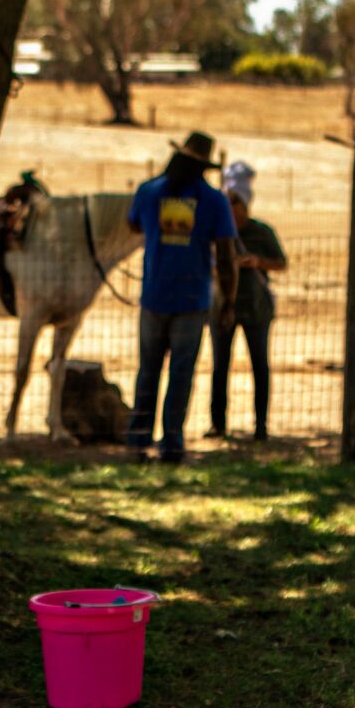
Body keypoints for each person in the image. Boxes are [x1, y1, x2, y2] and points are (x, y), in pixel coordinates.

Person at [125, 130, 238, 463]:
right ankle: (171, 442)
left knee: (148, 370)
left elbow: (133, 225)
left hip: (155, 296)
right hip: (191, 300)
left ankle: (138, 439)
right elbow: (228, 254)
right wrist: (229, 299)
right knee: (180, 374)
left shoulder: (149, 192)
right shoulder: (214, 200)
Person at [205, 160, 286, 442]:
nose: (232, 207)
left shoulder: (261, 232)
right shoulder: (217, 232)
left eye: (235, 202)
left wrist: (257, 261)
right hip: (222, 307)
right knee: (219, 367)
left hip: (256, 309)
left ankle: (260, 426)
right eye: (229, 201)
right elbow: (207, 263)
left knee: (259, 366)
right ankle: (218, 424)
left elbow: (281, 263)